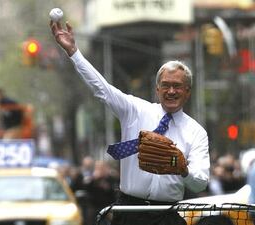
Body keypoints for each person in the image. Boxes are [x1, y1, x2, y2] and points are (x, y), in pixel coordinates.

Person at [50, 20, 210, 225]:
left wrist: (183, 169)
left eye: (177, 86)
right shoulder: (135, 110)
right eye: (166, 85)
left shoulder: (196, 132)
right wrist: (73, 52)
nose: (171, 91)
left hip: (167, 215)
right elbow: (102, 89)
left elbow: (200, 184)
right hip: (129, 211)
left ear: (187, 92)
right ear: (157, 89)